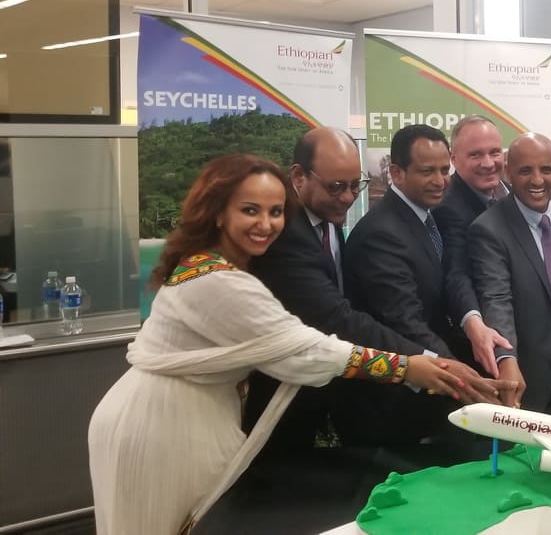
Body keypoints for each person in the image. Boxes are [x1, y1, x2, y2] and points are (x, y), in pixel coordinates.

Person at [87, 155, 514, 535]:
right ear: (217, 213)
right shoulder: (220, 281)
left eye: (276, 212)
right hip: (163, 423)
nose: (266, 224)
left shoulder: (214, 266)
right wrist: (409, 367)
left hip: (181, 412)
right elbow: (306, 348)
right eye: (250, 210)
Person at [246, 128, 487, 449]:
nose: (348, 197)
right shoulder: (288, 237)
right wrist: (433, 365)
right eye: (335, 187)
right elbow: (340, 318)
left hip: (327, 387)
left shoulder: (327, 219)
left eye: (354, 185)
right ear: (299, 177)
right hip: (284, 400)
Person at [340, 124, 521, 443]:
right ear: (396, 173)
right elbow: (405, 320)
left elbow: (451, 279)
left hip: (423, 398)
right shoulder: (381, 234)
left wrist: (474, 325)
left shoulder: (424, 216)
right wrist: (463, 376)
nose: (440, 181)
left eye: (443, 170)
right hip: (391, 409)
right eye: (427, 172)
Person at [468, 133, 551, 417]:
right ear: (508, 172)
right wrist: (506, 358)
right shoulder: (488, 229)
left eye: (546, 169)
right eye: (525, 170)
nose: (537, 180)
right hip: (528, 374)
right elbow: (496, 299)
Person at [433, 115, 513, 377]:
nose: (488, 163)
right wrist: (473, 322)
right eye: (475, 155)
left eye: (494, 152)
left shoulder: (513, 195)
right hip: (482, 348)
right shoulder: (448, 207)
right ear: (454, 158)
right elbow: (456, 274)